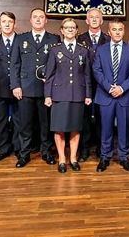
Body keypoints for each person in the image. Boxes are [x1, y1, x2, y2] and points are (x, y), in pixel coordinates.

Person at [11, 8, 61, 166]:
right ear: (30, 20)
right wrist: (15, 85)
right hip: (25, 88)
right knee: (25, 124)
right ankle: (24, 154)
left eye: (41, 17)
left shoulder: (54, 39)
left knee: (45, 124)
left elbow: (58, 66)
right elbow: (14, 64)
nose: (38, 20)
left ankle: (46, 152)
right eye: (35, 17)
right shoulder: (20, 39)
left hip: (46, 90)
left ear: (46, 20)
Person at [44, 18, 92, 173]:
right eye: (67, 27)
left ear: (77, 31)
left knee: (75, 129)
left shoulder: (83, 50)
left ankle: (73, 158)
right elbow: (49, 75)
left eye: (73, 28)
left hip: (78, 94)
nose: (70, 30)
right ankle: (62, 160)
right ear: (62, 30)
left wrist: (88, 94)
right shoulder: (55, 50)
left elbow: (87, 75)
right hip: (59, 94)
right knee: (59, 129)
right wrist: (47, 95)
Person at [92, 19, 129, 172]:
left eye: (120, 29)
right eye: (114, 29)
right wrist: (109, 87)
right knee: (105, 128)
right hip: (105, 96)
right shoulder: (101, 49)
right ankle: (105, 157)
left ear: (123, 31)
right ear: (109, 32)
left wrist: (122, 88)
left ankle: (124, 157)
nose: (117, 32)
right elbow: (96, 71)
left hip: (124, 97)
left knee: (124, 129)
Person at [77, 8, 109, 161]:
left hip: (103, 86)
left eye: (98, 17)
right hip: (84, 86)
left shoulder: (109, 39)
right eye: (91, 17)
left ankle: (101, 148)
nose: (95, 19)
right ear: (87, 20)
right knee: (84, 118)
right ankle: (84, 149)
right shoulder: (79, 39)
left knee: (102, 119)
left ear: (102, 21)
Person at [0, 12, 18, 164]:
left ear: (15, 24)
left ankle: (19, 148)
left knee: (20, 120)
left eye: (10, 21)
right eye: (4, 21)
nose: (7, 24)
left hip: (19, 87)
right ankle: (3, 149)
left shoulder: (22, 40)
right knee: (0, 120)